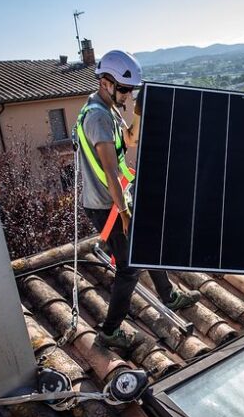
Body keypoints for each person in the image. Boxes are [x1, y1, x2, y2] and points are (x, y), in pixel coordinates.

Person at [76, 49, 199, 351]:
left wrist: (139, 113)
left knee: (148, 242)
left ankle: (168, 295)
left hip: (116, 199)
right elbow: (108, 169)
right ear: (106, 82)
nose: (128, 95)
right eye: (125, 89)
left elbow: (130, 140)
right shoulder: (97, 119)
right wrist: (125, 213)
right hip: (108, 205)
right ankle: (110, 331)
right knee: (129, 269)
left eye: (132, 90)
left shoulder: (108, 109)